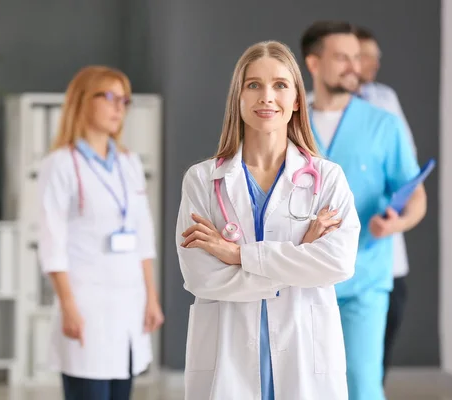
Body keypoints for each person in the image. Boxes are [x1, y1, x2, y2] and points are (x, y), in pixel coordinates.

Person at [176, 40, 361, 400]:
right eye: (254, 85)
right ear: (239, 98)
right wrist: (300, 255)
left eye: (280, 85)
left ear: (296, 100)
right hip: (227, 361)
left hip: (304, 360)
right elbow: (201, 276)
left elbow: (338, 263)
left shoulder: (327, 178)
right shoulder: (202, 180)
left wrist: (238, 256)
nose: (266, 97)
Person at [300, 21, 427, 400]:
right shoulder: (290, 123)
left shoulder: (383, 124)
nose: (354, 66)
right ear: (313, 63)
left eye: (357, 57)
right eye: (342, 57)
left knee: (362, 386)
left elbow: (415, 194)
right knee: (303, 385)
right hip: (300, 277)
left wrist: (397, 222)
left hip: (364, 278)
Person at [37, 65, 164, 400]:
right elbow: (53, 243)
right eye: (109, 97)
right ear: (82, 101)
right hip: (86, 301)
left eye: (124, 100)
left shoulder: (129, 162)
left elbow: (143, 234)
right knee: (89, 387)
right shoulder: (61, 164)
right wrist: (68, 305)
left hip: (129, 300)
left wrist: (150, 296)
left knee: (121, 390)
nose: (119, 107)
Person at [354, 25, 418, 383]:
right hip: (346, 252)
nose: (372, 64)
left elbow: (406, 164)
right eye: (364, 56)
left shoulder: (384, 99)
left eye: (376, 57)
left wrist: (398, 210)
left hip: (385, 244)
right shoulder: (317, 107)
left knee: (380, 349)